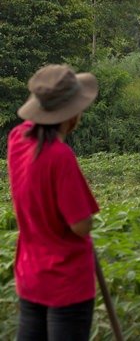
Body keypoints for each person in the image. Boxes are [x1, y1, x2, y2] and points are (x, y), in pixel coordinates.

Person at [7, 65, 100, 341]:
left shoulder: (17, 140)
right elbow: (80, 226)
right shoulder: (60, 157)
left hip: (30, 273)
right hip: (66, 282)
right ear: (71, 114)